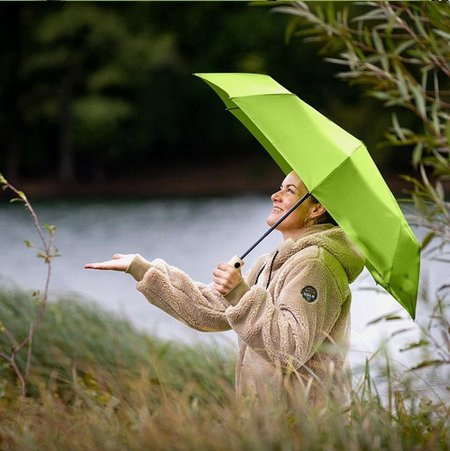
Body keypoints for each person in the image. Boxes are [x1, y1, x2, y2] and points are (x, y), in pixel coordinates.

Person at [85, 171, 364, 410]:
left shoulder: (316, 266)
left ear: (316, 209)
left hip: (305, 430)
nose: (275, 196)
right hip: (266, 424)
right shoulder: (273, 261)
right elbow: (209, 311)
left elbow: (288, 349)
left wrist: (240, 292)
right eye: (279, 188)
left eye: (289, 191)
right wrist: (141, 268)